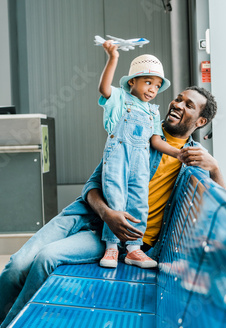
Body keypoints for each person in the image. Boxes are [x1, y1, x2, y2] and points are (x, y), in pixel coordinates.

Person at [0, 86, 225, 328]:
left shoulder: (194, 159)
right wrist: (107, 214)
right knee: (17, 264)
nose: (177, 104)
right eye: (179, 99)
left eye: (188, 105)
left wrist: (215, 169)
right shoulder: (136, 129)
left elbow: (220, 209)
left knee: (47, 258)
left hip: (120, 240)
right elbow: (92, 185)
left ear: (201, 121)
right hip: (87, 215)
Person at [97, 41, 182, 269]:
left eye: (157, 85)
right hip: (118, 158)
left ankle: (134, 249)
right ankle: (112, 247)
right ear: (132, 82)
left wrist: (178, 153)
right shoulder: (120, 99)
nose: (152, 89)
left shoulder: (153, 111)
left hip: (141, 163)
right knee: (115, 199)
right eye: (147, 82)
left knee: (138, 202)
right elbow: (104, 88)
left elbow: (155, 140)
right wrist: (113, 57)